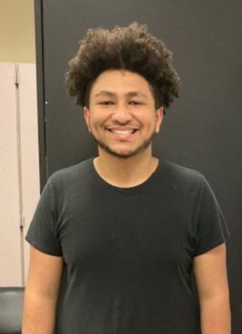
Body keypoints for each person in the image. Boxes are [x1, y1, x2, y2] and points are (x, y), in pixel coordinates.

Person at [22, 23, 231, 334]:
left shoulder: (194, 192)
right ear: (87, 116)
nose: (121, 115)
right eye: (107, 102)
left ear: (158, 117)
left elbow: (214, 297)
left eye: (135, 102)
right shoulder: (59, 191)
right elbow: (41, 295)